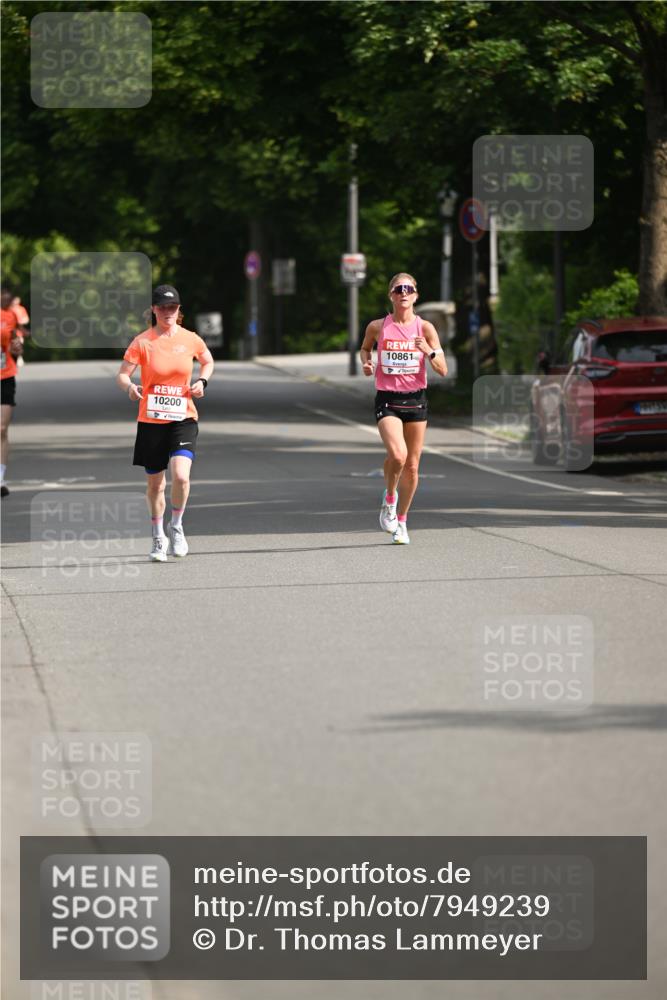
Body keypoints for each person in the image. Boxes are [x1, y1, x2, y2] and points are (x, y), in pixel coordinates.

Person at [116, 285, 214, 561]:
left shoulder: (190, 339)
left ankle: (177, 526)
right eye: (163, 307)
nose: (168, 312)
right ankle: (158, 536)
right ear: (154, 310)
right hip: (151, 420)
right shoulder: (143, 342)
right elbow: (123, 374)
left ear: (179, 310)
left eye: (173, 307)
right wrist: (130, 388)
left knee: (182, 476)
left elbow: (207, 361)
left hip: (183, 416)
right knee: (155, 485)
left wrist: (202, 381)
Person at [360, 272, 447, 544]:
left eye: (409, 289)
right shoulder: (378, 326)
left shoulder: (426, 328)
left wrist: (428, 352)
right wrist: (366, 362)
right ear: (391, 295)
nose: (404, 293)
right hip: (387, 398)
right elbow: (365, 349)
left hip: (416, 399)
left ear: (416, 295)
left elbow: (442, 369)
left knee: (411, 466)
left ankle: (401, 521)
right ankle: (389, 499)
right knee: (397, 455)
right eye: (399, 289)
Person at [1, 288, 23, 498]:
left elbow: (16, 345)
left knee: (1, 428)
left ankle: (0, 478)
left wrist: (17, 348)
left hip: (5, 376)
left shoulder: (9, 316)